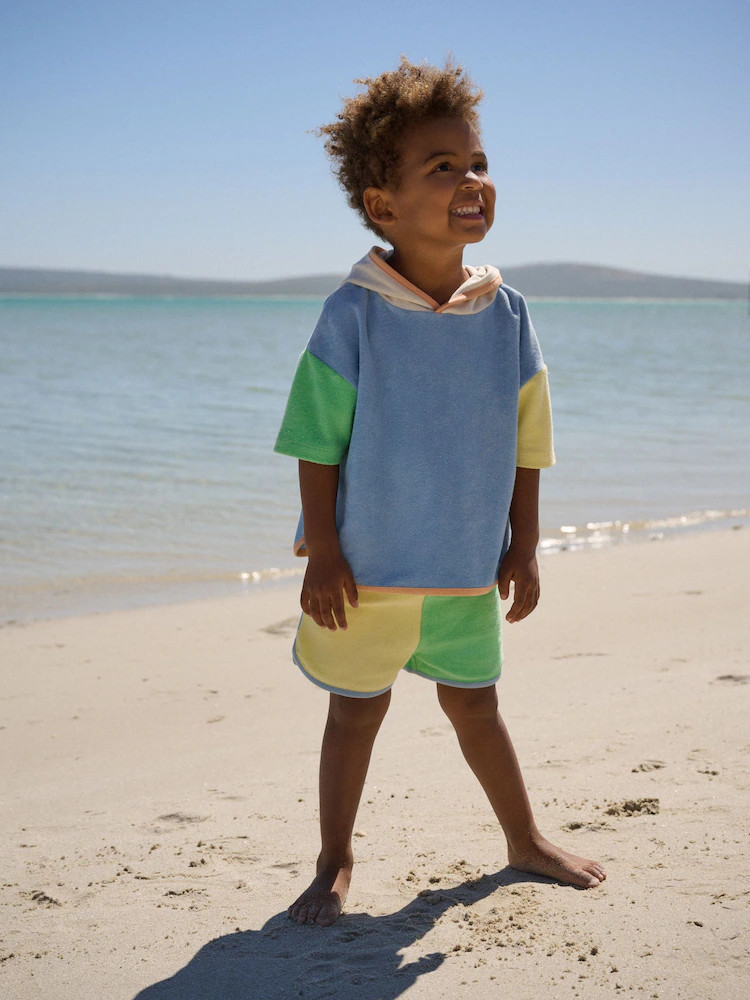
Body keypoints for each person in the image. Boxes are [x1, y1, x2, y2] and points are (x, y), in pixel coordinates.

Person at [274, 58, 606, 927]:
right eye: (443, 166)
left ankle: (524, 839)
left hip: (464, 564)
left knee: (477, 706)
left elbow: (528, 441)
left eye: (478, 162)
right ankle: (334, 862)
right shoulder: (353, 313)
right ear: (383, 205)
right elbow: (314, 439)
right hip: (365, 571)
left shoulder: (508, 313)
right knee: (356, 715)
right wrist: (323, 549)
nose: (472, 180)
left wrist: (525, 543)